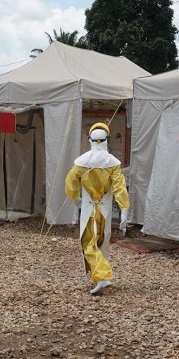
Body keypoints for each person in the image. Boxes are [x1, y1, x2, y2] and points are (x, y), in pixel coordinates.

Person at [65, 123, 129, 295]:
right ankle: (98, 278)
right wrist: (124, 210)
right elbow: (120, 188)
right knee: (102, 243)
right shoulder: (113, 164)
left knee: (88, 243)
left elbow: (71, 182)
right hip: (105, 210)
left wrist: (76, 198)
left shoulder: (82, 162)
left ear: (90, 140)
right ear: (106, 140)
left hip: (88, 209)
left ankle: (102, 276)